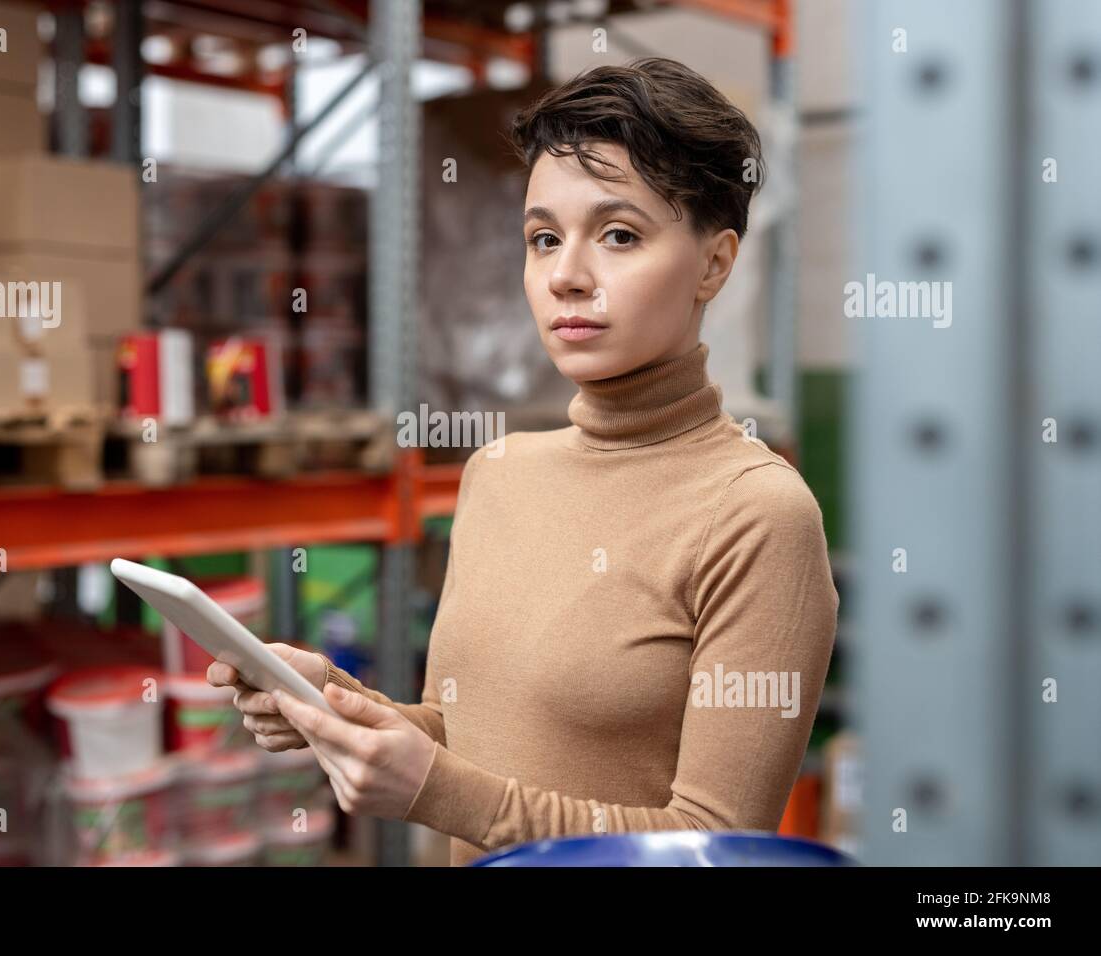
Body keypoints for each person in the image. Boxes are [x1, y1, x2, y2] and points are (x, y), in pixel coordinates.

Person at [209, 57, 840, 867]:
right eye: (544, 239)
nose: (567, 277)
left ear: (714, 264)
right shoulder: (499, 471)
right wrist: (332, 702)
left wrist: (435, 790)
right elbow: (463, 732)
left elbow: (711, 846)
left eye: (619, 235)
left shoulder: (757, 515)